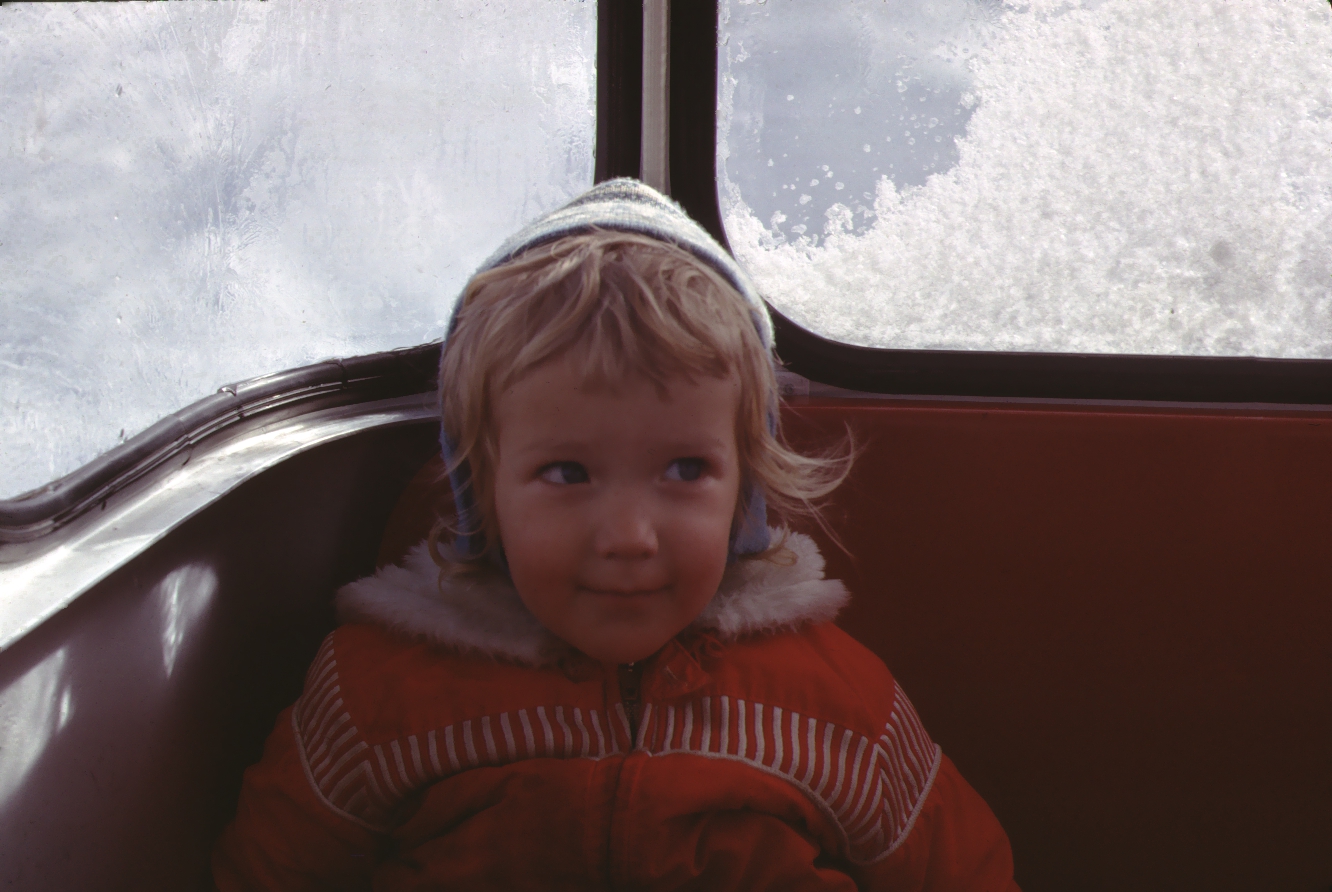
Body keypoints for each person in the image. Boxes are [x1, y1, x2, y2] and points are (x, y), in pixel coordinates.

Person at [212, 179, 1020, 890]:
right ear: (479, 491)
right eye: (568, 474)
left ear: (745, 492)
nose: (630, 536)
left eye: (683, 471)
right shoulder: (376, 696)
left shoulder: (836, 701)